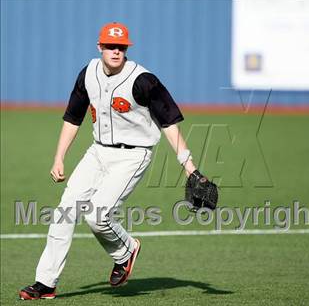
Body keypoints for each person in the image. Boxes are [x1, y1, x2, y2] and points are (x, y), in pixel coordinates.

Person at [19, 22, 200, 300]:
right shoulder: (88, 74)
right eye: (110, 46)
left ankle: (125, 250)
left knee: (97, 215)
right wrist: (59, 158)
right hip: (98, 151)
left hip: (133, 155)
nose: (116, 51)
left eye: (121, 47)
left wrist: (190, 169)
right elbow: (72, 118)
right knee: (64, 212)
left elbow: (169, 124)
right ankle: (46, 282)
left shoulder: (143, 80)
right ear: (99, 47)